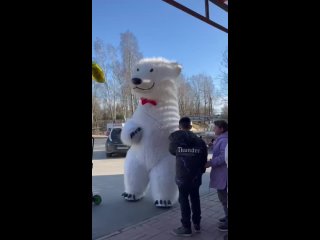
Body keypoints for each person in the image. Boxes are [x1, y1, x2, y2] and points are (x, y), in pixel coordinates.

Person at [169, 117, 208, 236]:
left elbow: (171, 151)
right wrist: (200, 171)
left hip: (182, 176)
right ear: (191, 127)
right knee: (195, 199)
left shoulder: (176, 140)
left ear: (180, 127)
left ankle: (186, 227)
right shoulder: (200, 141)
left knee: (184, 200)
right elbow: (203, 159)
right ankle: (197, 224)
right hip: (196, 176)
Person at [206, 120, 228, 232]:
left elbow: (223, 157)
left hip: (224, 174)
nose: (213, 129)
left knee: (224, 198)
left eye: (215, 127)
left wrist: (210, 163)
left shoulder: (224, 140)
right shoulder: (221, 139)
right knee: (223, 197)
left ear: (222, 129)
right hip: (222, 174)